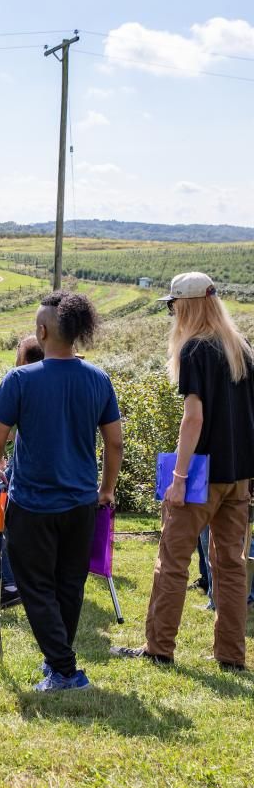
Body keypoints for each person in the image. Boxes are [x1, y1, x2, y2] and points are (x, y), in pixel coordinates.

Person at [111, 272, 254, 671]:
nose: (172, 314)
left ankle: (159, 647)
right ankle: (230, 656)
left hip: (200, 477)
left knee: (172, 561)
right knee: (231, 566)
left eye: (173, 306)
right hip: (238, 477)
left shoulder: (194, 350)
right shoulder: (240, 348)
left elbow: (193, 419)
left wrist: (178, 478)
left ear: (186, 306)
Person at [0, 292, 123, 692]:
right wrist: (106, 489)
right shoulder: (98, 379)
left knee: (35, 586)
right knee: (69, 584)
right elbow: (114, 443)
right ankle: (57, 662)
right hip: (82, 502)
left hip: (32, 503)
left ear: (42, 332)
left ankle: (65, 670)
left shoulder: (21, 379)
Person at [0, 335, 45, 609]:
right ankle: (22, 583)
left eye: (17, 350)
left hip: (18, 467)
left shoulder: (19, 379)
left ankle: (12, 584)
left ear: (24, 356)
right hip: (36, 468)